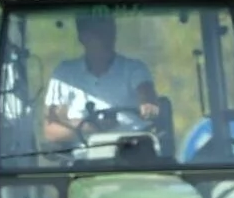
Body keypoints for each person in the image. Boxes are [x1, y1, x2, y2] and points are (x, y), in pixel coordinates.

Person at [41, 12, 160, 148]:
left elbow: (146, 92)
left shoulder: (134, 69)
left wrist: (147, 104)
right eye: (99, 33)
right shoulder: (65, 74)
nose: (107, 39)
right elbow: (52, 130)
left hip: (134, 153)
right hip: (83, 160)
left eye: (110, 32)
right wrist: (90, 128)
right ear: (83, 37)